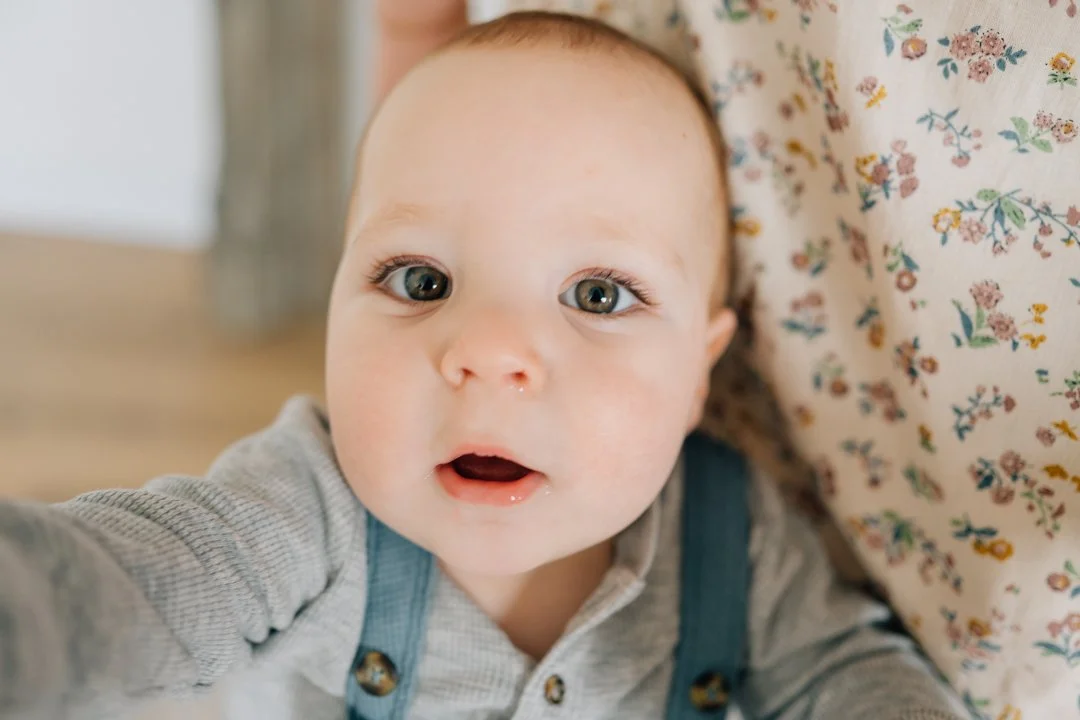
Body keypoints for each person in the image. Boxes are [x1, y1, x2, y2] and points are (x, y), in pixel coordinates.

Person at [0, 12, 970, 720]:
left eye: (597, 295)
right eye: (421, 279)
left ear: (698, 375)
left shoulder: (732, 534)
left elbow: (845, 674)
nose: (490, 352)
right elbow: (128, 586)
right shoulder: (304, 515)